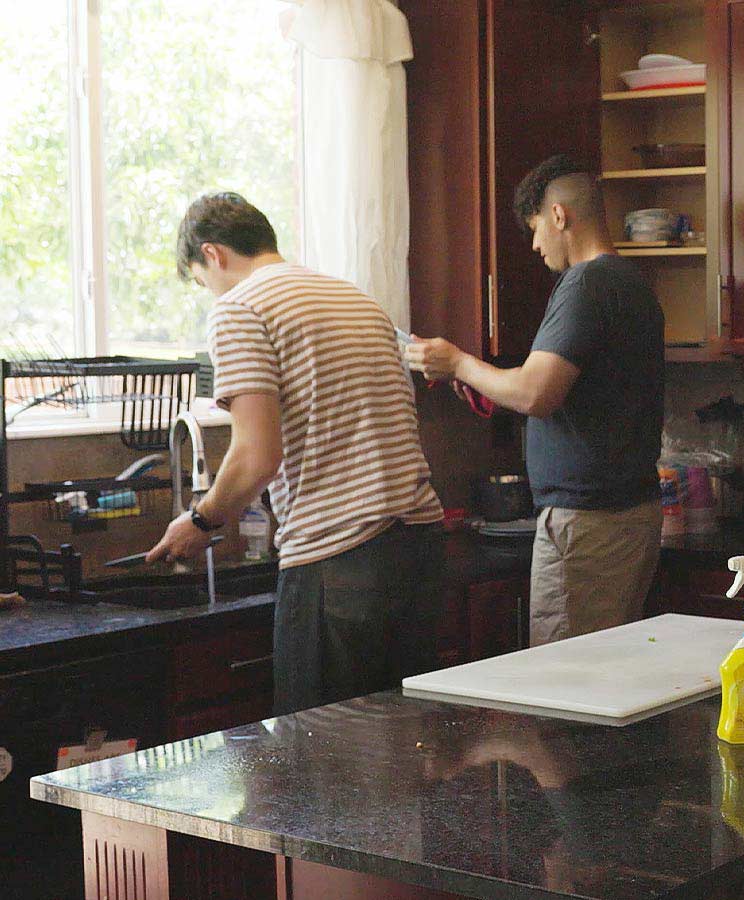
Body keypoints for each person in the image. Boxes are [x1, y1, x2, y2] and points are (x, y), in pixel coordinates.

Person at [149, 192, 445, 714]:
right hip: (418, 552)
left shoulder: (239, 307)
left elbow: (257, 456)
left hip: (339, 563)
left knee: (325, 765)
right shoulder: (355, 298)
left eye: (201, 280)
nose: (209, 292)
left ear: (213, 254)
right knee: (408, 758)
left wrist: (200, 520)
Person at [408, 154, 665, 646]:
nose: (533, 245)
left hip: (585, 527)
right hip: (630, 516)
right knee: (607, 675)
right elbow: (574, 394)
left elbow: (534, 393)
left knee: (567, 683)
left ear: (558, 217)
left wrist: (459, 363)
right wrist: (486, 384)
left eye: (533, 229)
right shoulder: (634, 286)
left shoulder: (585, 284)